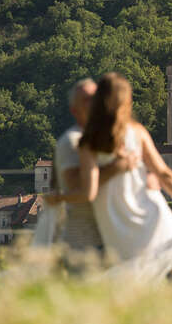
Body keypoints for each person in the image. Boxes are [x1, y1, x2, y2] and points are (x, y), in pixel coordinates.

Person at [46, 73, 172, 291]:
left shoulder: (88, 143)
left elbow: (88, 193)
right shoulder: (137, 132)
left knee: (135, 294)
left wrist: (58, 197)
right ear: (127, 102)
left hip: (119, 230)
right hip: (155, 217)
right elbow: (166, 175)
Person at [52, 78, 139, 250]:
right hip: (85, 239)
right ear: (74, 110)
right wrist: (118, 167)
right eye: (87, 99)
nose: (94, 103)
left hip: (111, 235)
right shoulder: (72, 141)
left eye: (96, 97)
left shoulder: (107, 135)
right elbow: (81, 189)